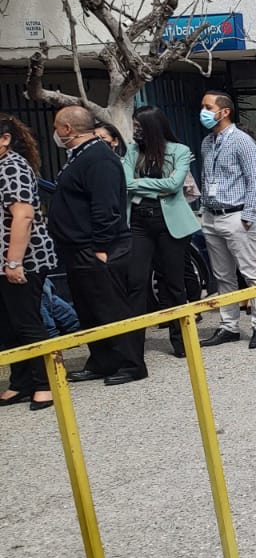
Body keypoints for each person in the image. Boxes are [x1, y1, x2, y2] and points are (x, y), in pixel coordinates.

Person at [47, 106, 146, 384]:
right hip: (77, 248)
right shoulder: (80, 156)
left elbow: (106, 207)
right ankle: (102, 361)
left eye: (57, 127)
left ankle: (130, 364)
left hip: (97, 248)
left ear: (67, 129)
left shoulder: (99, 158)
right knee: (90, 310)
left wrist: (101, 247)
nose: (55, 133)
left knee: (111, 308)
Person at [198, 91, 256, 348]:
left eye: (208, 107)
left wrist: (248, 215)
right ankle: (228, 325)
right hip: (212, 215)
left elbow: (255, 180)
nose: (203, 112)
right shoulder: (207, 142)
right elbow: (206, 178)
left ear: (225, 111)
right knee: (222, 275)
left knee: (250, 271)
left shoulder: (242, 141)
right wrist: (204, 209)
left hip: (236, 215)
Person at [125, 107, 198, 358]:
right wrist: (157, 187)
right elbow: (126, 183)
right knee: (136, 281)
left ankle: (181, 341)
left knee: (174, 282)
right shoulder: (132, 151)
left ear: (152, 127)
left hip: (170, 223)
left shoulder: (179, 151)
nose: (135, 131)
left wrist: (140, 184)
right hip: (139, 221)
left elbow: (175, 185)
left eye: (139, 126)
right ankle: (134, 347)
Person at [0, 117, 58, 410]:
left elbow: (23, 216)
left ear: (5, 139)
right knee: (9, 324)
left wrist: (13, 262)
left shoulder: (13, 167)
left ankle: (45, 383)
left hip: (25, 259)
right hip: (4, 261)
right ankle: (21, 381)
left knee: (27, 321)